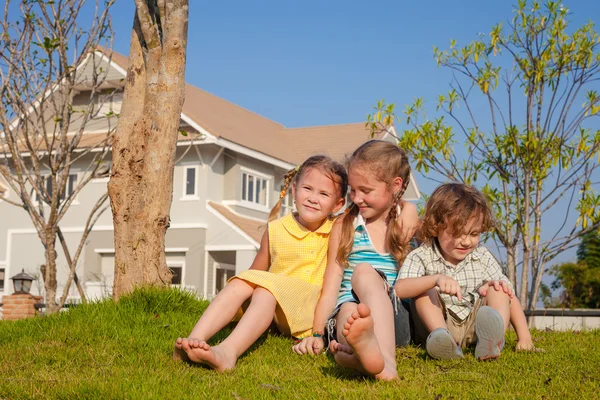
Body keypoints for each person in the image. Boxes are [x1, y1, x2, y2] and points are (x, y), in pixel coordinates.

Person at [173, 155, 348, 372]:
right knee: (241, 282)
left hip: (309, 311)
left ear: (337, 204)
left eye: (323, 194)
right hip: (278, 307)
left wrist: (318, 333)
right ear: (294, 191)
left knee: (265, 290)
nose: (313, 198)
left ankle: (228, 352)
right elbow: (256, 272)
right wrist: (239, 301)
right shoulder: (276, 228)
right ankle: (194, 339)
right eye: (307, 188)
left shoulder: (336, 229)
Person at [294, 140, 418, 381]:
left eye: (366, 190)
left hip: (394, 319)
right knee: (350, 310)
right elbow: (331, 287)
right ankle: (361, 351)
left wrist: (409, 207)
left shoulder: (406, 222)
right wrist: (317, 333)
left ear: (395, 186)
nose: (357, 198)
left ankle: (386, 363)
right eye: (352, 190)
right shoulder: (345, 225)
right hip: (348, 313)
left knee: (363, 272)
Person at [394, 182, 538, 361]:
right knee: (424, 290)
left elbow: (511, 296)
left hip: (474, 324)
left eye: (474, 234)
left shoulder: (482, 256)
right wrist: (434, 280)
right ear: (437, 226)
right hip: (438, 322)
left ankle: (492, 340)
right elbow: (399, 289)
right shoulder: (422, 255)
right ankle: (444, 340)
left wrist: (525, 338)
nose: (466, 241)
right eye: (457, 233)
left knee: (500, 288)